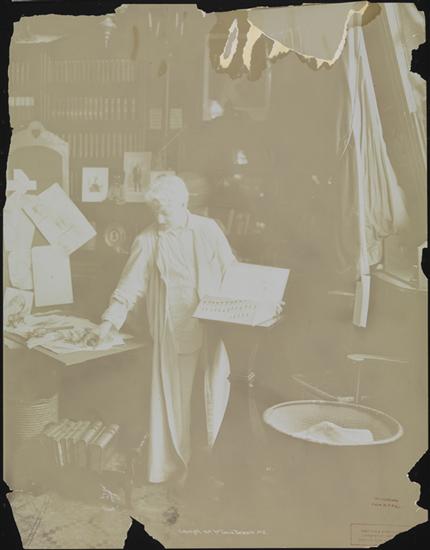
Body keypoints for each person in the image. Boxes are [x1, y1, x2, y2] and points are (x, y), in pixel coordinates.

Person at [87, 175, 238, 488]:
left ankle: (215, 467)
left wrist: (258, 299)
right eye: (154, 211)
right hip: (173, 331)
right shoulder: (147, 240)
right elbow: (128, 288)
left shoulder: (208, 230)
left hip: (213, 325)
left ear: (183, 203)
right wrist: (107, 323)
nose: (158, 218)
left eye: (164, 211)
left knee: (216, 395)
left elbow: (232, 270)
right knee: (174, 404)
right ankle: (175, 469)